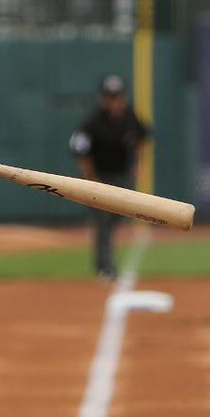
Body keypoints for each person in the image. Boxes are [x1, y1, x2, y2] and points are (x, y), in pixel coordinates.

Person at [69, 75, 148, 280]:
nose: (114, 101)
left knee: (116, 218)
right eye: (110, 97)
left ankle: (103, 263)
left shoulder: (130, 117)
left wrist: (138, 165)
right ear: (103, 98)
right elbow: (80, 151)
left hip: (122, 177)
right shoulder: (92, 121)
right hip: (100, 178)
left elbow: (142, 138)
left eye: (118, 96)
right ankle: (106, 267)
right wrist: (91, 180)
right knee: (102, 222)